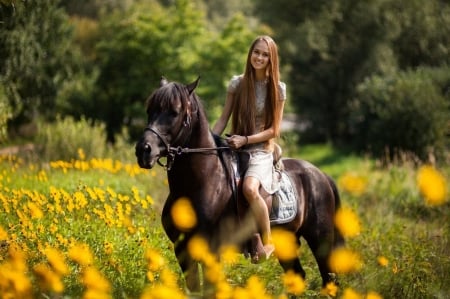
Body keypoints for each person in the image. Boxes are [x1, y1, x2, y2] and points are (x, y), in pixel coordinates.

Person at [212, 35, 286, 260]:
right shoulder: (237, 83)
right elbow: (224, 118)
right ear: (250, 54)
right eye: (257, 52)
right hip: (234, 146)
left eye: (265, 54)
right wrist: (210, 141)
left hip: (260, 150)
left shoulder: (278, 89)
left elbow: (274, 130)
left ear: (271, 59)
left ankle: (267, 241)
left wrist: (245, 140)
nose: (259, 57)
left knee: (250, 189)